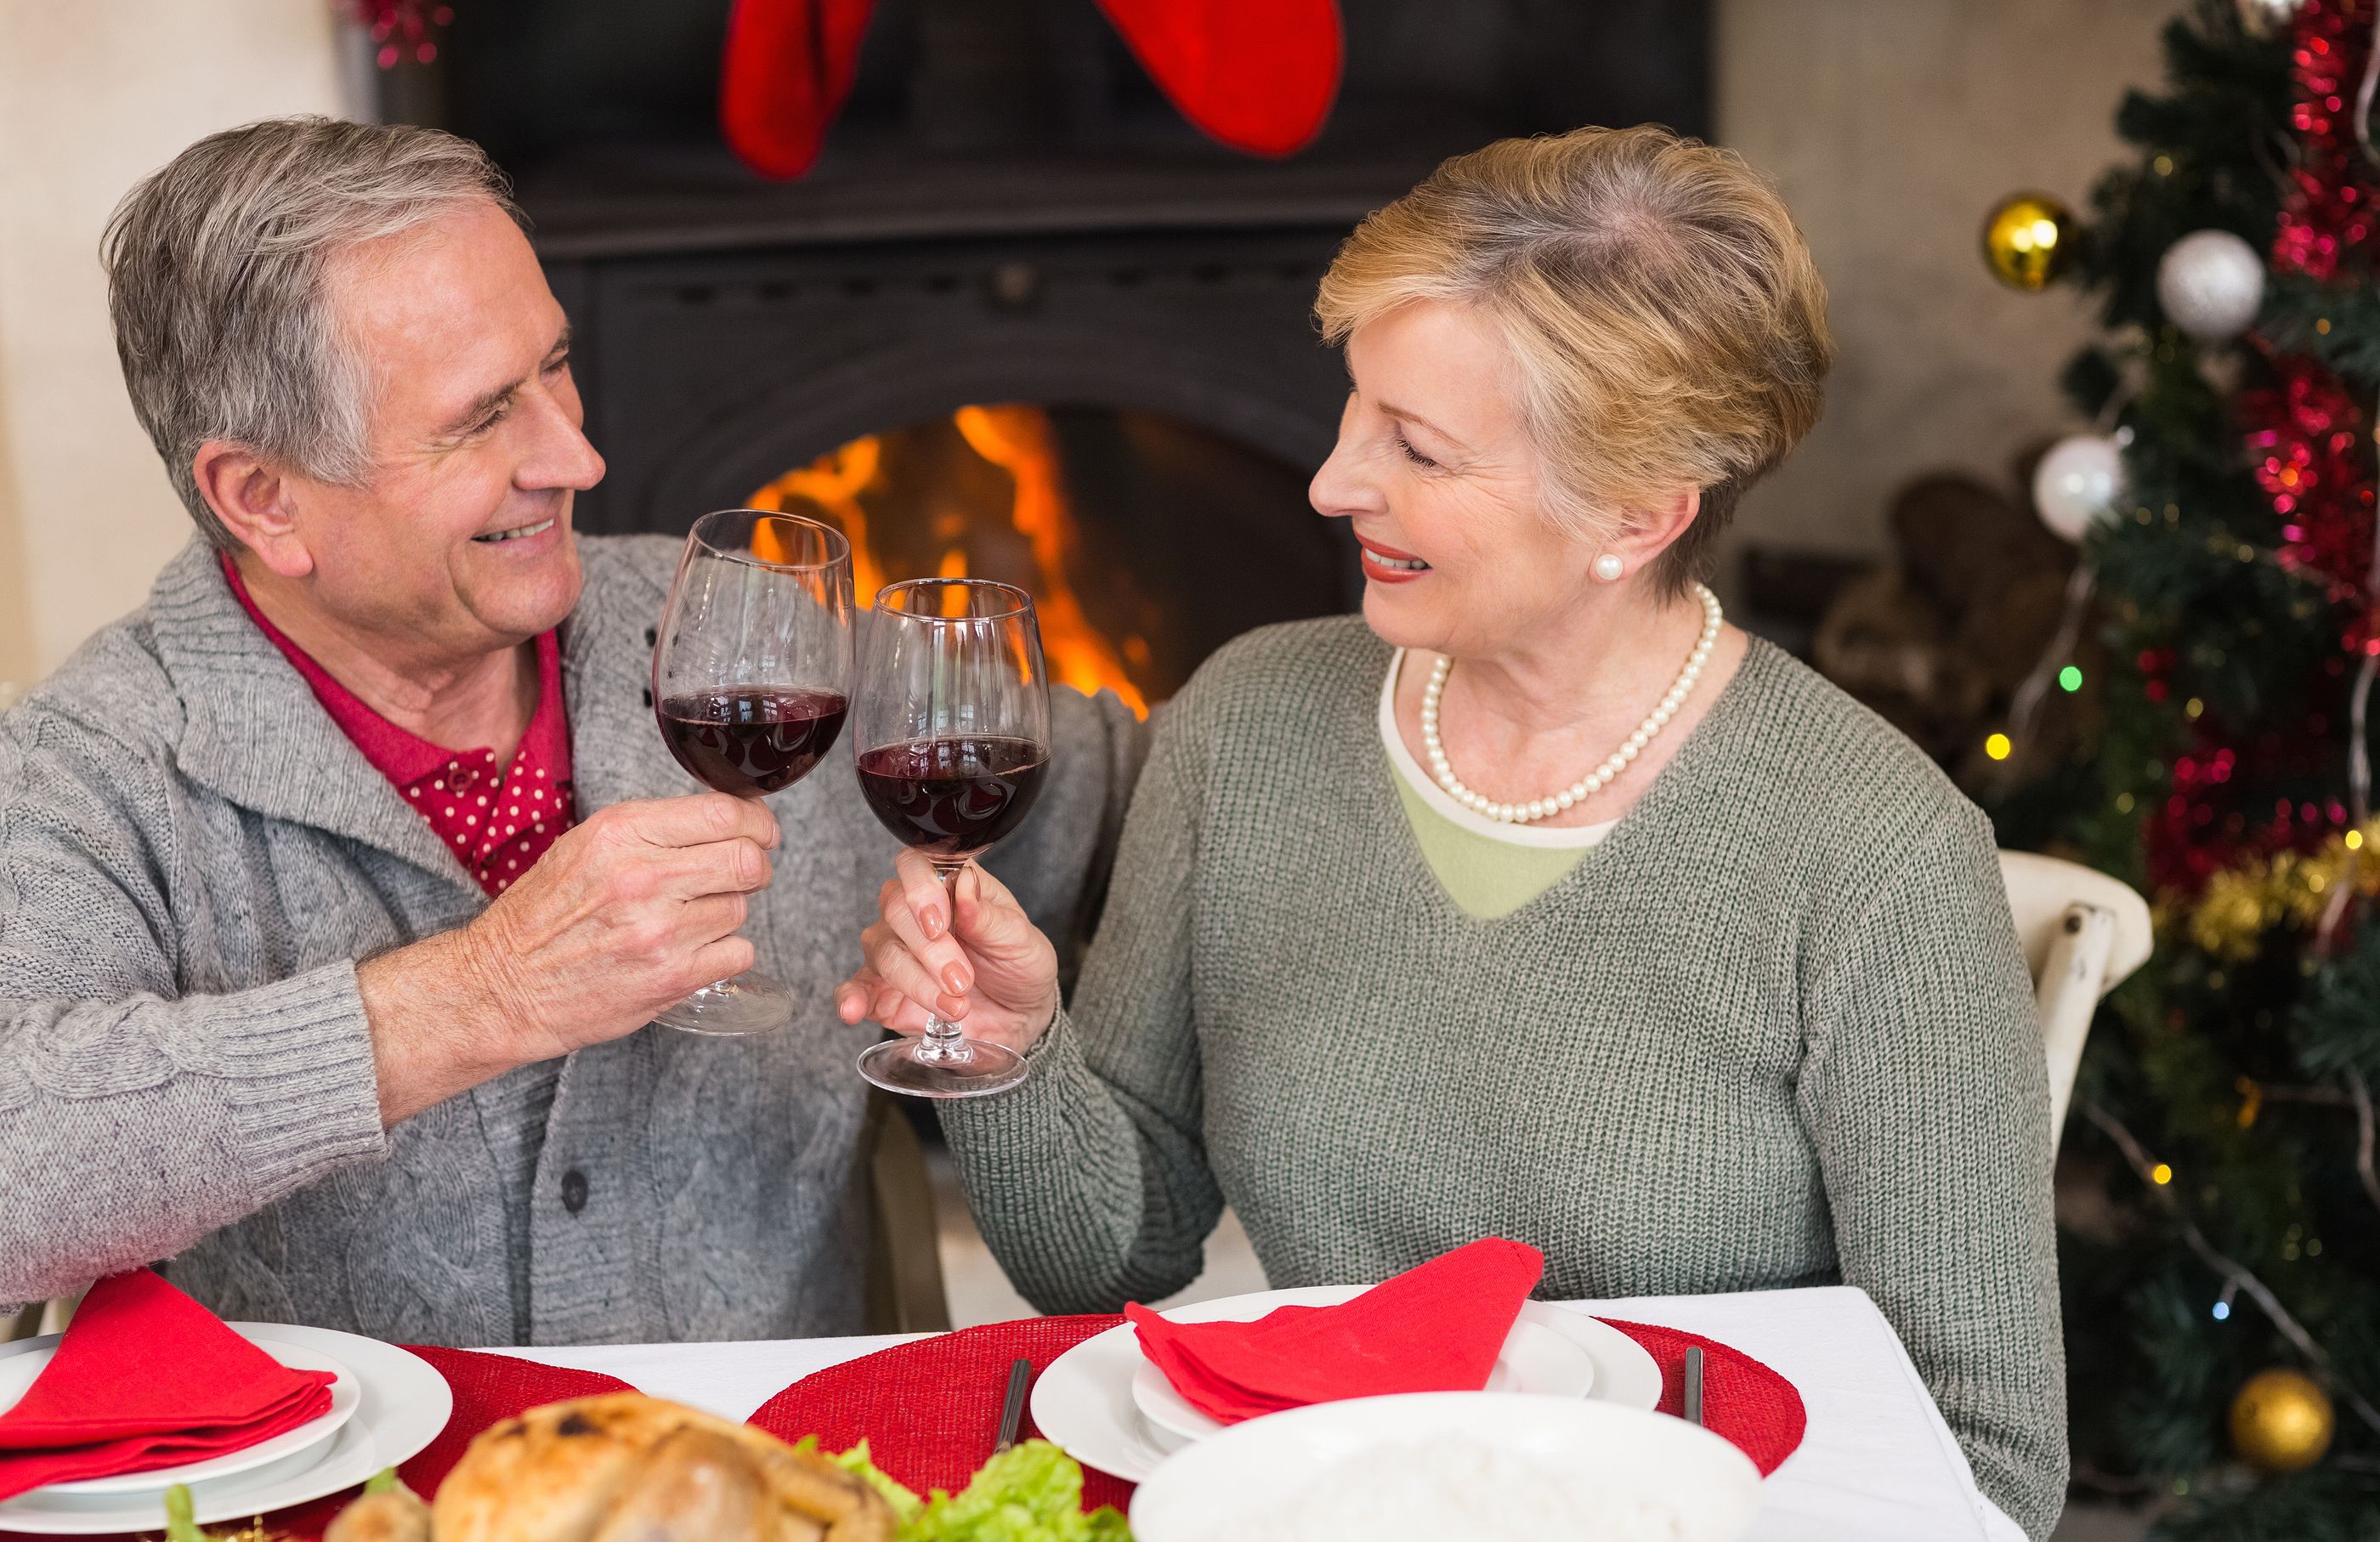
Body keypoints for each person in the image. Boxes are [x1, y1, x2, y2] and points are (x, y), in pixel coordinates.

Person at [837, 126, 2067, 1538]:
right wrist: (1010, 1061)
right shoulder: (1248, 722)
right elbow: (1109, 1252)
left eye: (1416, 448)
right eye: (1356, 411)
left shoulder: (1874, 855)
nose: (1331, 482)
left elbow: (1984, 1463)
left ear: (1637, 512)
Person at [0, 117, 1140, 1345]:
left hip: (772, 1500)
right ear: (263, 498)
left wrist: (1368, 677)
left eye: (555, 365)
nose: (579, 455)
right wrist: (486, 994)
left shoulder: (738, 643)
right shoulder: (92, 765)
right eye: (483, 416)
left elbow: (1166, 795)